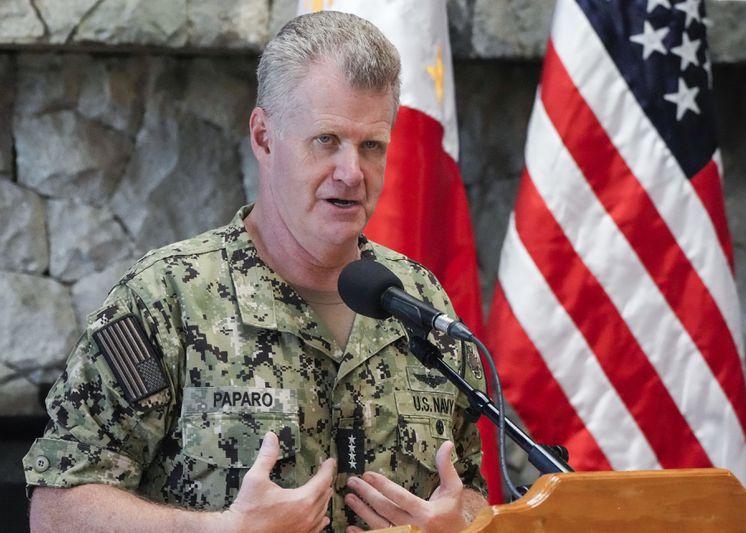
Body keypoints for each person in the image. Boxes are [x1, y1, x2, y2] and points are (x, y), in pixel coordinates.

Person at [24, 10, 489, 533]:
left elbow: (472, 489)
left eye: (371, 146)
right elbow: (57, 508)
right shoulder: (163, 300)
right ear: (265, 138)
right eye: (326, 140)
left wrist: (463, 522)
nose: (351, 172)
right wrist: (218, 530)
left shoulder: (420, 304)